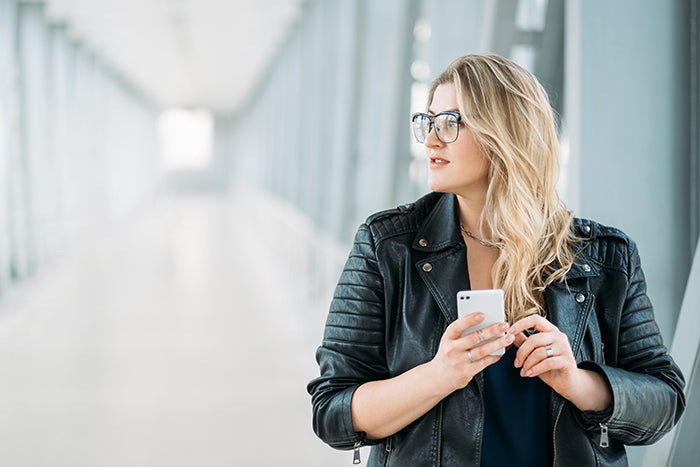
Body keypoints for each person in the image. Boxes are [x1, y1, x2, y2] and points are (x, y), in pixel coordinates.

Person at [307, 54, 685, 466]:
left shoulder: (605, 257)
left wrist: (578, 382)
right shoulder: (387, 246)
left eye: (450, 122)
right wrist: (438, 376)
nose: (431, 139)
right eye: (428, 121)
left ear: (505, 132)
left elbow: (665, 399)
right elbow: (332, 412)